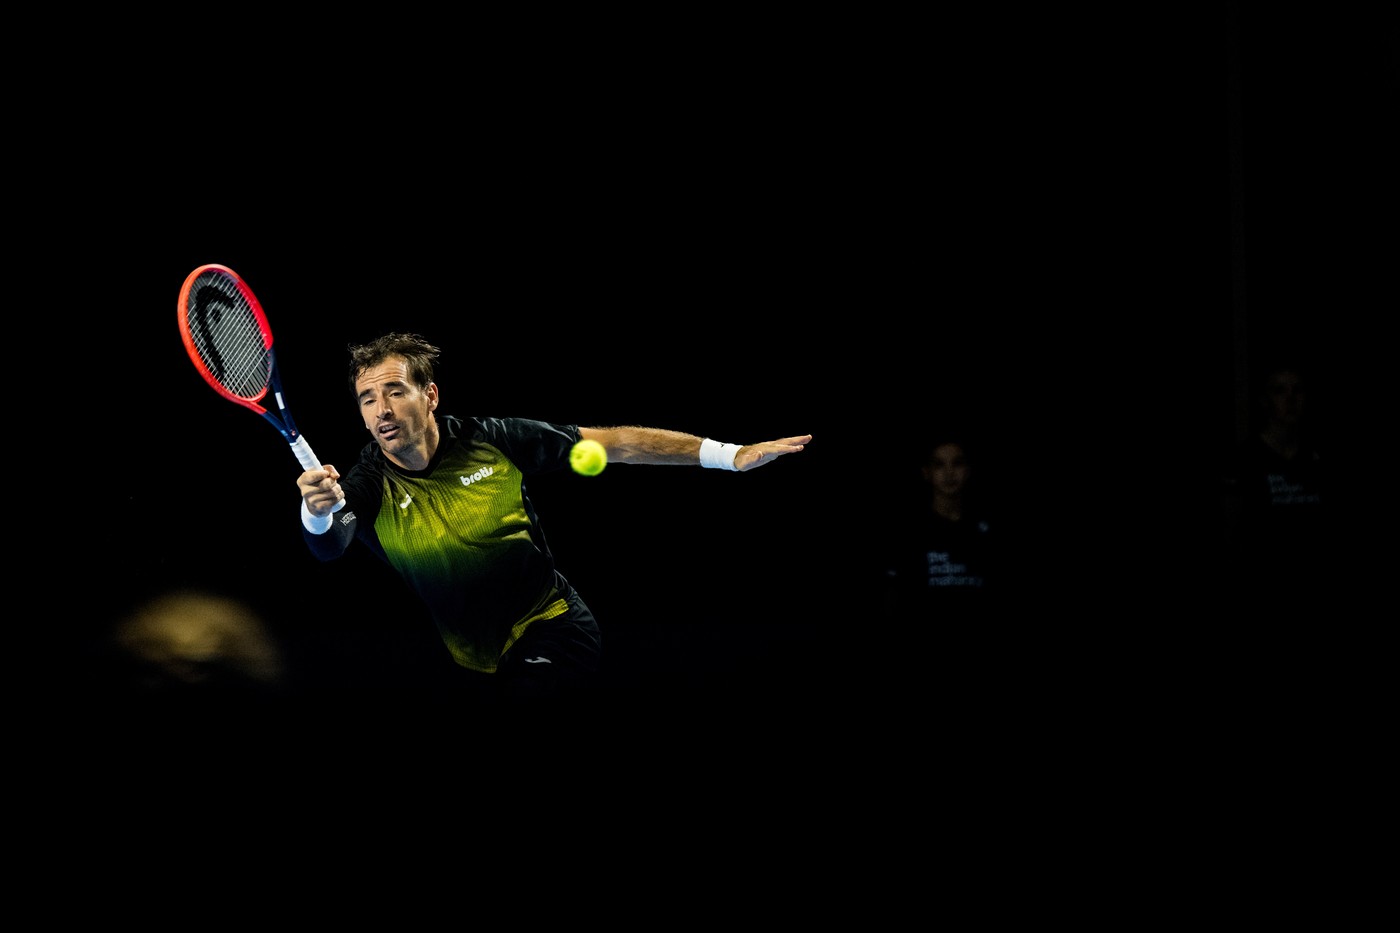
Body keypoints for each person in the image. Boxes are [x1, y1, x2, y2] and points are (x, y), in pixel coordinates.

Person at [295, 332, 811, 708]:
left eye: (395, 391)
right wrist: (314, 511)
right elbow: (330, 543)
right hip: (472, 662)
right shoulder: (365, 485)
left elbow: (617, 443)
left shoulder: (492, 440)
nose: (382, 409)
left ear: (430, 396)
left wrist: (730, 454)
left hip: (554, 630)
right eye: (368, 398)